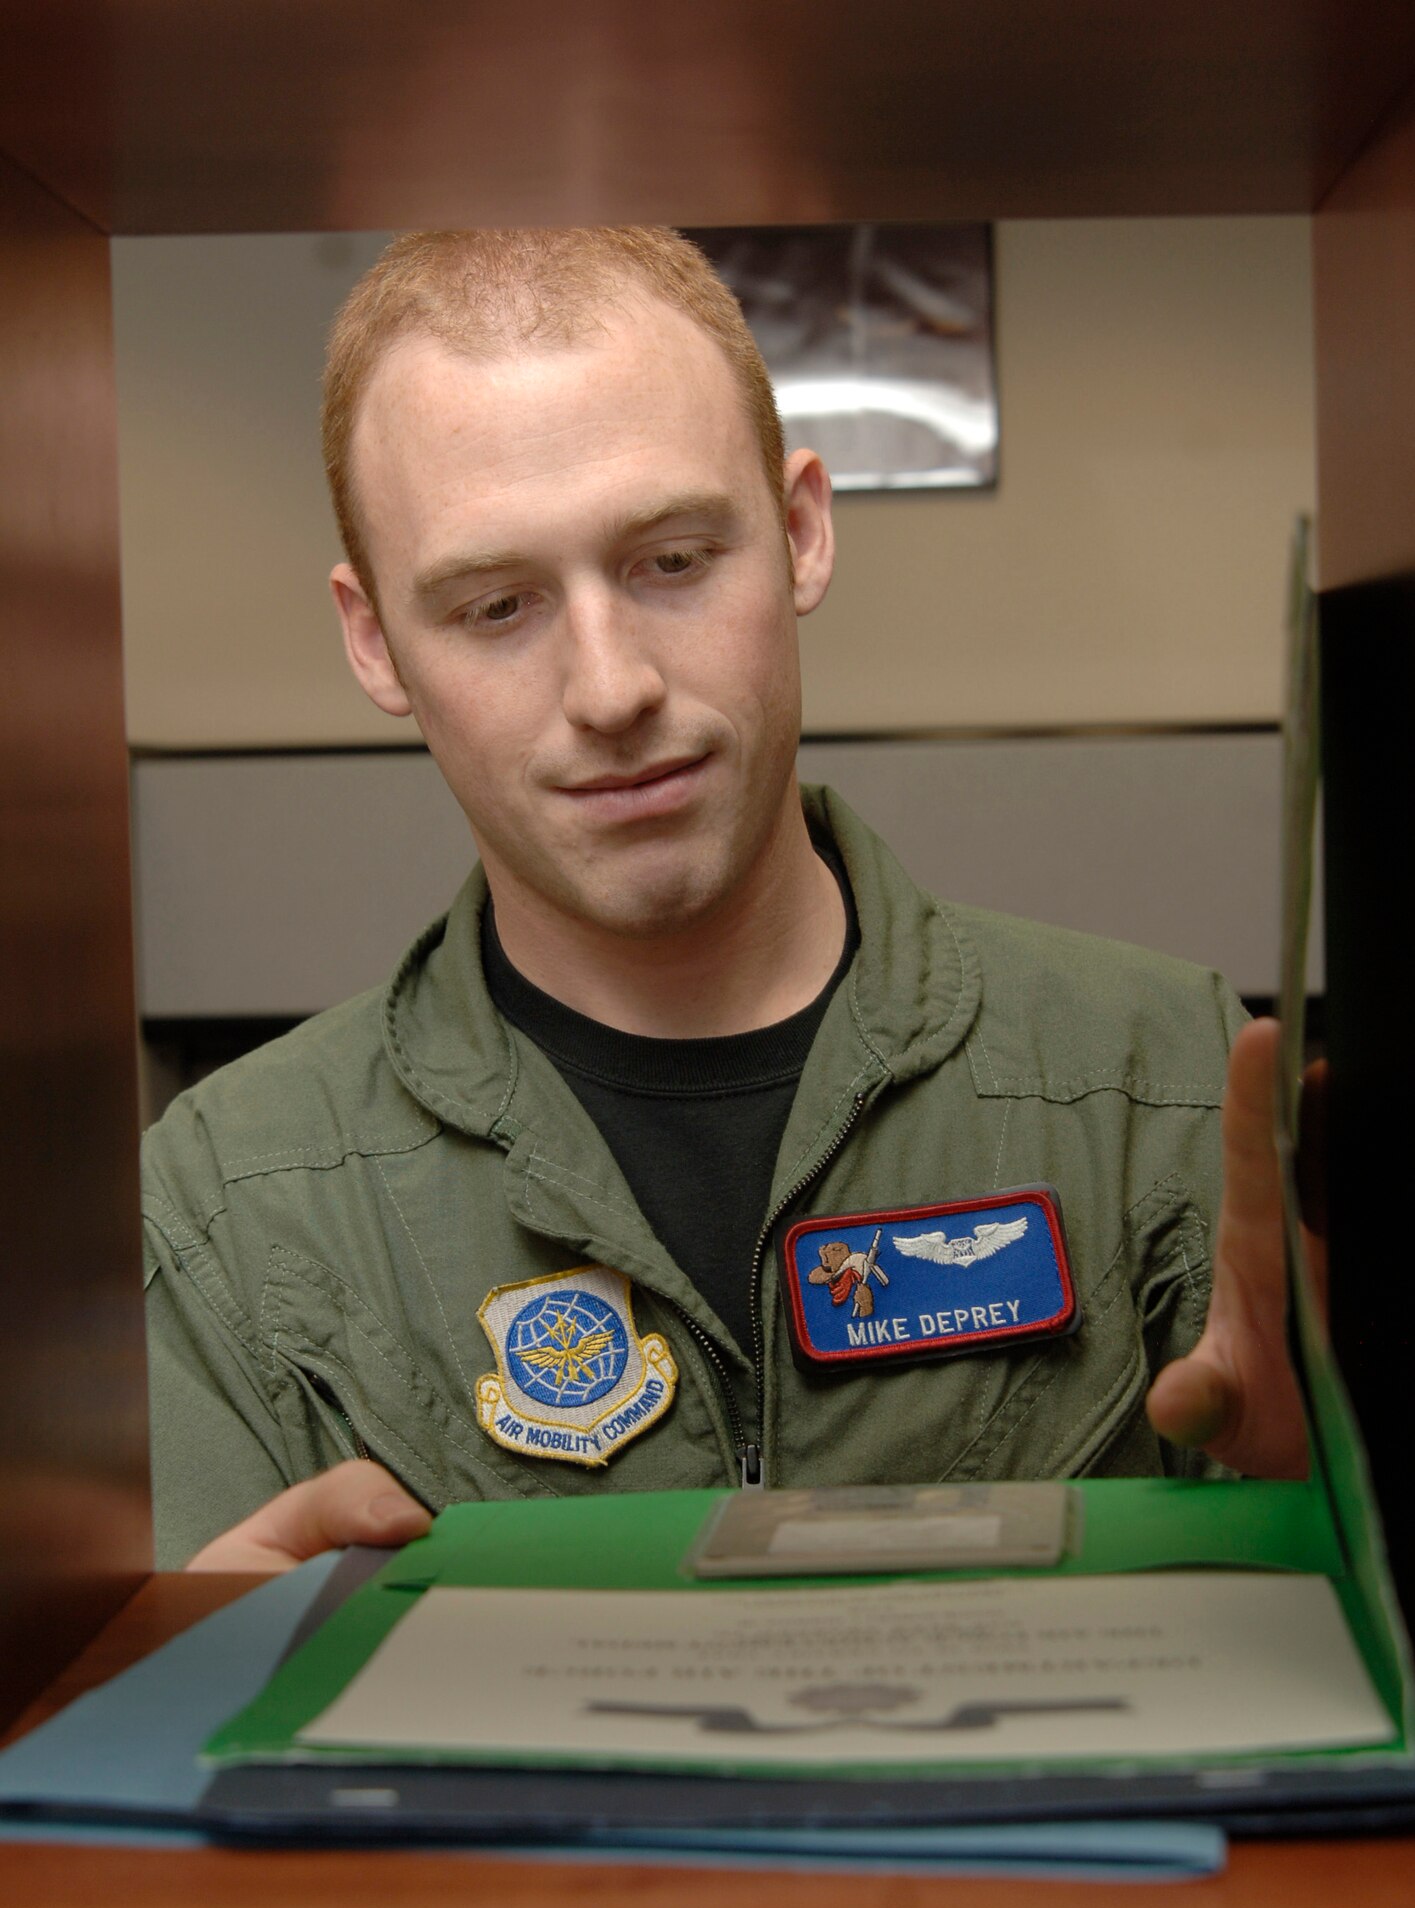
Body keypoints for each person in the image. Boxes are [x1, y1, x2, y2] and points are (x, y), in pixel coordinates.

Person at [141, 227, 1308, 1572]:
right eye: (498, 606)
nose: (611, 687)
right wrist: (186, 1698)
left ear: (802, 532)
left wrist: (1337, 1522)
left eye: (674, 560)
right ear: (374, 640)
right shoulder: (233, 1204)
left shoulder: (1160, 1085)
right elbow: (149, 1750)